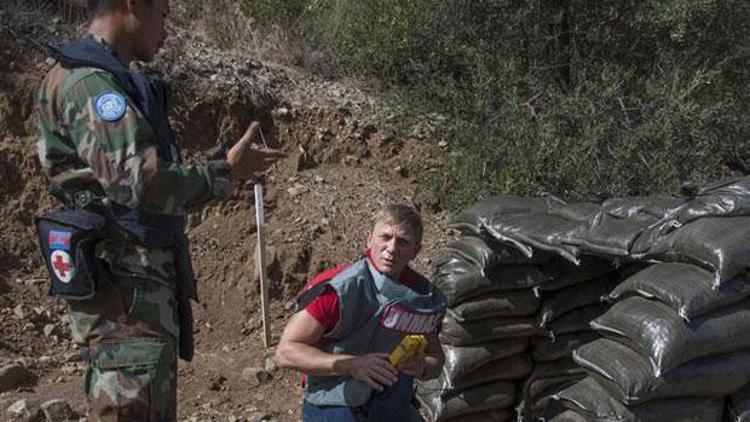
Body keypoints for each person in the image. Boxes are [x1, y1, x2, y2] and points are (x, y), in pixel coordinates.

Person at [34, 0, 285, 419]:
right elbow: (138, 181)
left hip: (128, 291)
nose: (166, 32)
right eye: (164, 16)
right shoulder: (91, 84)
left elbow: (120, 176)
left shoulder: (93, 77)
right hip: (127, 292)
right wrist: (224, 173)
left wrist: (218, 165)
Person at [275, 204, 446, 421]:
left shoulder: (419, 297)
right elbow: (285, 352)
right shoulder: (339, 289)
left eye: (402, 241)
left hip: (390, 399)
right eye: (385, 237)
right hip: (334, 396)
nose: (391, 248)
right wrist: (353, 365)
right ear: (369, 239)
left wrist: (422, 366)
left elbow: (436, 359)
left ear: (416, 251)